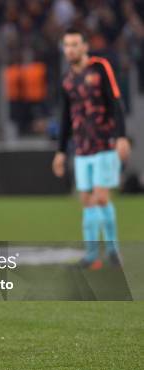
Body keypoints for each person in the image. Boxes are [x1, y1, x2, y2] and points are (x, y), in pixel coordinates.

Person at [52, 28, 131, 269]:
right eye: (67, 45)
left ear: (85, 47)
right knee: (86, 200)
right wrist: (61, 151)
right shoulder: (66, 80)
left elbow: (115, 101)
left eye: (75, 44)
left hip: (105, 144)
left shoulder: (100, 68)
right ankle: (91, 254)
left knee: (100, 197)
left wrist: (121, 137)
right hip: (82, 148)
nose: (71, 49)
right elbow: (66, 116)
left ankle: (113, 252)